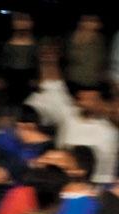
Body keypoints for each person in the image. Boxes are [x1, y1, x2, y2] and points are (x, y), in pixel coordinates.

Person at [29, 45, 119, 185]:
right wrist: (49, 62)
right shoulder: (68, 115)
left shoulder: (109, 132)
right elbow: (54, 88)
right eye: (81, 97)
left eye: (91, 99)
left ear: (100, 101)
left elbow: (104, 176)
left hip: (89, 184)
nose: (84, 102)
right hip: (56, 179)